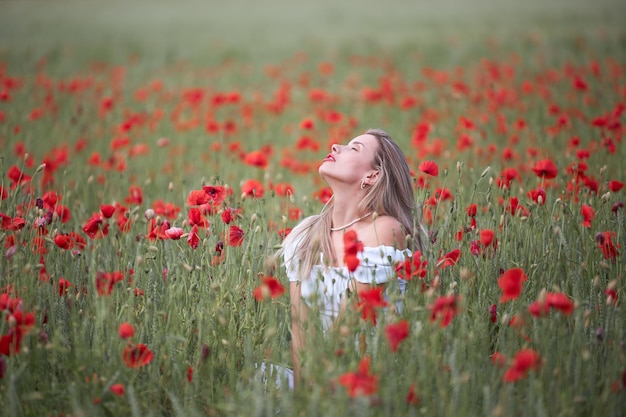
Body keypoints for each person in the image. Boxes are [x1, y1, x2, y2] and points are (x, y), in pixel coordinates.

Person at [277, 128, 427, 387]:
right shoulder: (306, 233)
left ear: (373, 175)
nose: (336, 146)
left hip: (365, 381)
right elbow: (300, 330)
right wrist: (303, 398)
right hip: (313, 380)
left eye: (354, 148)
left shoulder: (384, 231)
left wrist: (319, 393)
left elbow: (348, 328)